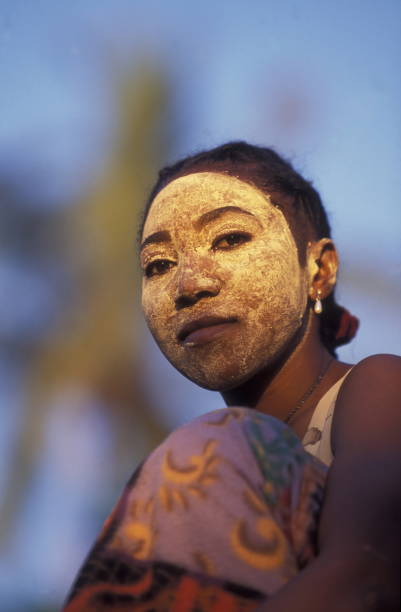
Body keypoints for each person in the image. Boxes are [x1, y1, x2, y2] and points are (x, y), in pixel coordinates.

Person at [62, 142, 400, 611]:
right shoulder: (189, 479)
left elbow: (367, 573)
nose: (189, 284)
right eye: (159, 265)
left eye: (230, 239)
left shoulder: (379, 389)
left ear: (318, 270)